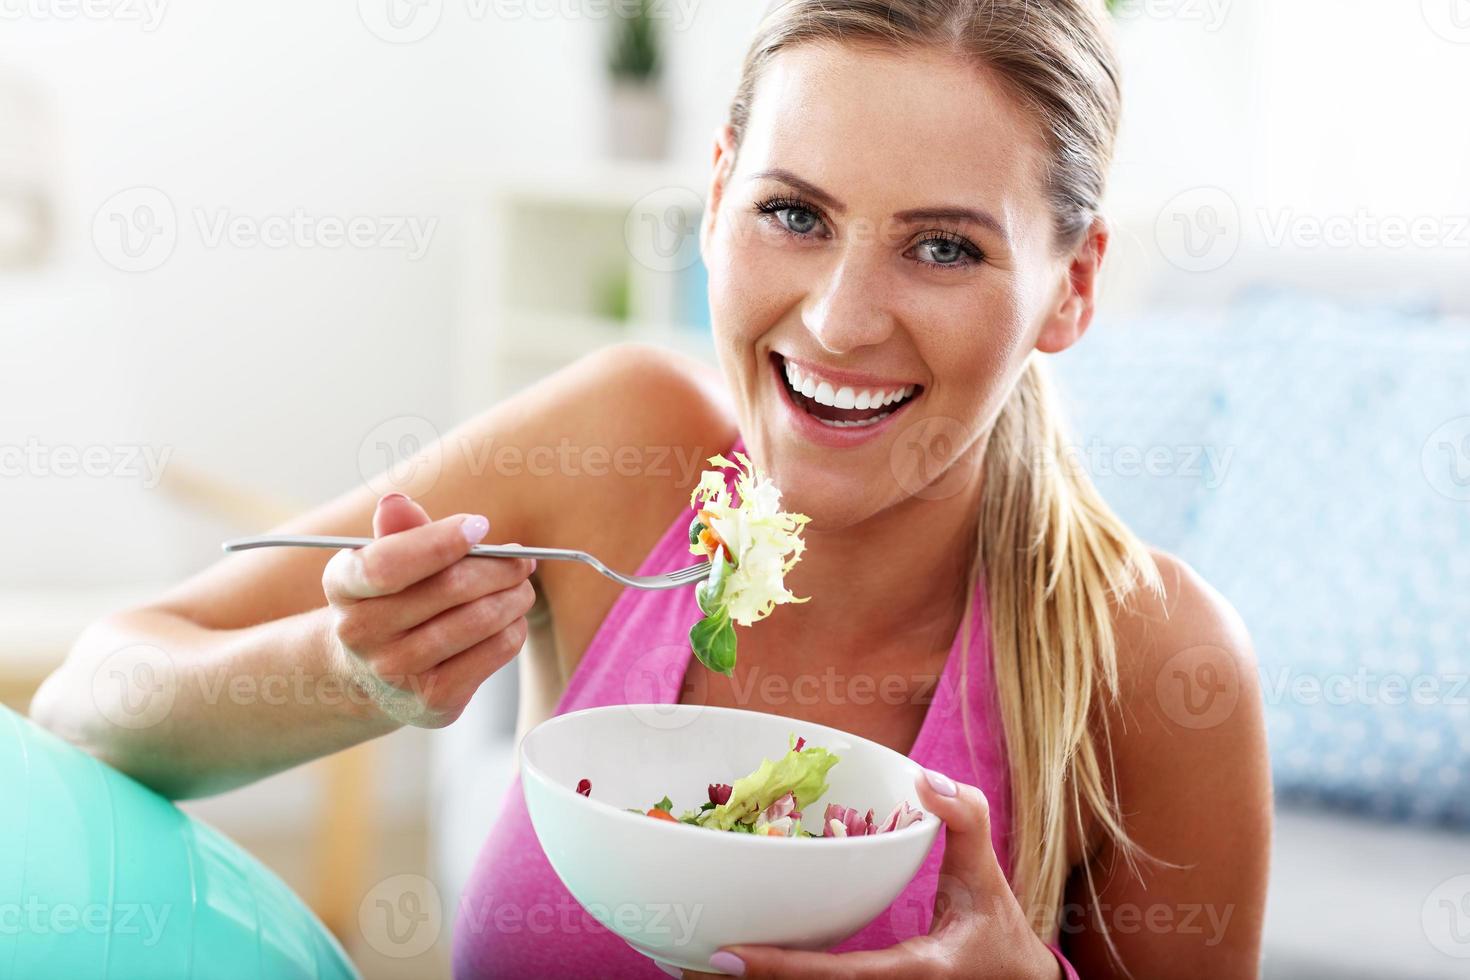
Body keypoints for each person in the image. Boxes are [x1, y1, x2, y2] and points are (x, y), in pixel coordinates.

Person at [31, 1, 1271, 976]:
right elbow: (94, 700)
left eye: (943, 246)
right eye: (793, 212)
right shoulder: (615, 449)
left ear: (1073, 283)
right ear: (718, 192)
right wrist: (349, 670)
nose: (839, 320)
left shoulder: (1153, 658)